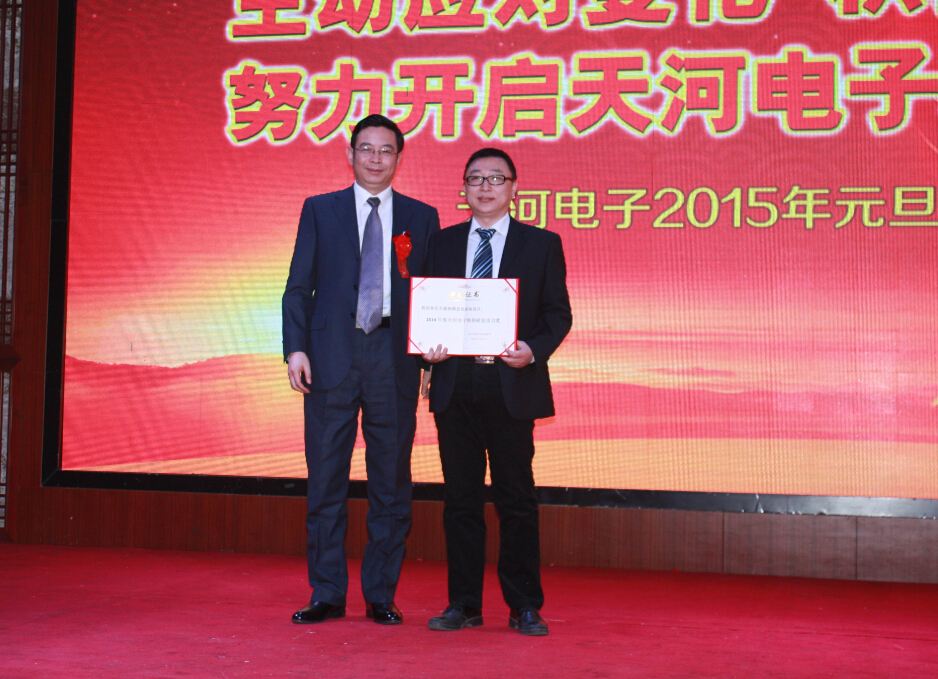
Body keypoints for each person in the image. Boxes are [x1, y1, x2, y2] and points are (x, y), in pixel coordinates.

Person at [282, 114, 440, 625]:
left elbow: (431, 293)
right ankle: (327, 591)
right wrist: (295, 349)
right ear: (349, 155)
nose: (376, 158)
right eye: (366, 149)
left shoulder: (422, 216)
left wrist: (433, 348)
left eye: (386, 150)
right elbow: (297, 287)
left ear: (399, 158)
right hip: (330, 355)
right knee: (326, 479)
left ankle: (380, 594)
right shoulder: (320, 209)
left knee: (390, 483)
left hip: (394, 357)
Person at [421, 148, 572, 636]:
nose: (485, 187)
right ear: (463, 189)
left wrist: (533, 349)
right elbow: (425, 308)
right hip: (455, 383)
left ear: (514, 188)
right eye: (475, 179)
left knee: (516, 499)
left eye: (496, 178)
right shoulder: (441, 243)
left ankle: (524, 604)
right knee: (460, 501)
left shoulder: (541, 243)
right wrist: (427, 349)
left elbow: (558, 314)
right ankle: (464, 603)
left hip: (511, 382)